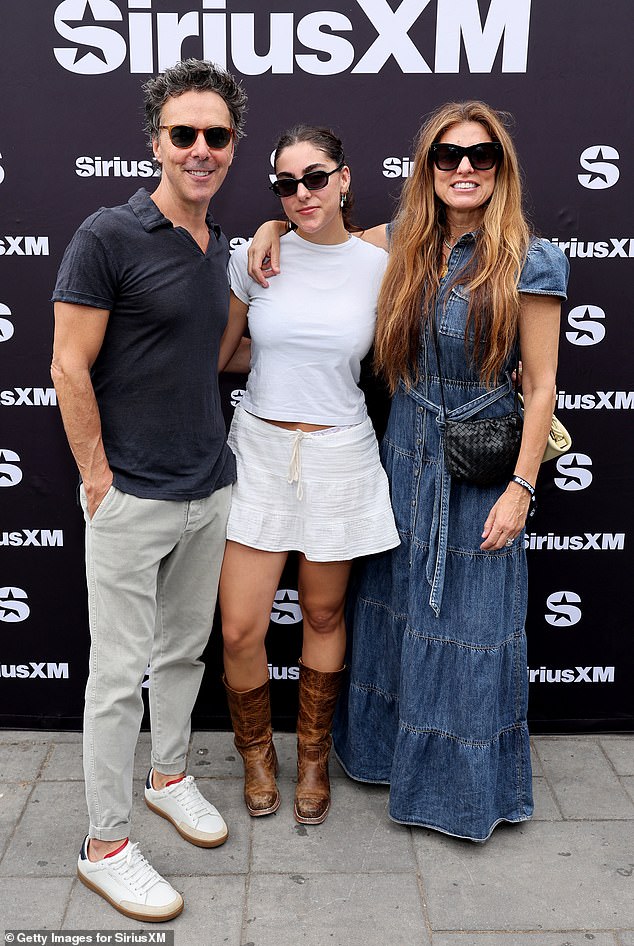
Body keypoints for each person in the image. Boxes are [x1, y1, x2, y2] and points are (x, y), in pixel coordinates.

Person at [248, 101, 569, 841]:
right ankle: (392, 765)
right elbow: (317, 232)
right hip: (402, 456)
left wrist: (522, 488)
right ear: (426, 168)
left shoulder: (530, 255)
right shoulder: (401, 243)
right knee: (398, 619)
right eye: (448, 156)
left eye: (480, 155)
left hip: (481, 463)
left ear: (500, 167)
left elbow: (543, 386)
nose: (464, 168)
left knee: (470, 630)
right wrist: (270, 227)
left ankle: (462, 795)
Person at [50, 59, 247, 920]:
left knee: (182, 654)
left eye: (217, 136)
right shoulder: (108, 235)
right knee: (115, 673)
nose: (200, 149)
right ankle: (103, 844)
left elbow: (211, 358)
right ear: (155, 142)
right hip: (131, 496)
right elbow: (66, 364)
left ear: (233, 147)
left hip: (210, 487)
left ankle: (170, 775)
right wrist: (98, 480)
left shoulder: (222, 246)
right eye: (184, 134)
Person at [217, 125, 399, 826]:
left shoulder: (380, 265)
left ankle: (314, 758)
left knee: (323, 613)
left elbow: (443, 210)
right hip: (261, 450)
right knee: (239, 628)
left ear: (345, 178)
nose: (301, 195)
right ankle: (258, 756)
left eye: (315, 178)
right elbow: (224, 353)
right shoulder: (255, 260)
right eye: (284, 186)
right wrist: (267, 230)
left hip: (340, 455)